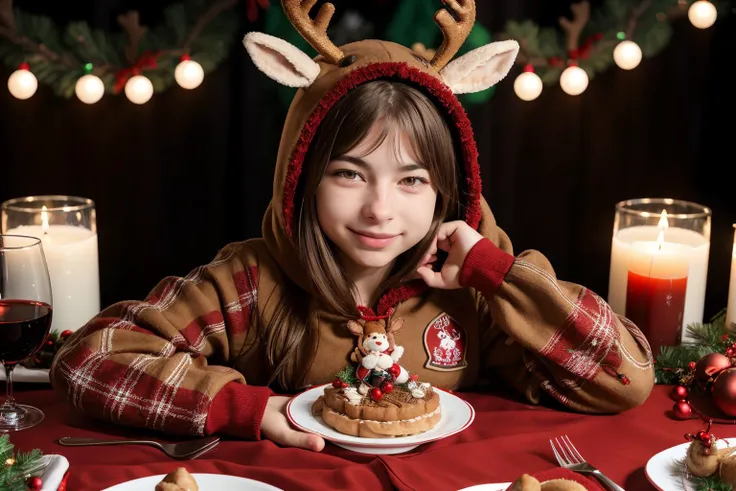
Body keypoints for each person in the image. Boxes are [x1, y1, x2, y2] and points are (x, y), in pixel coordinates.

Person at [51, 0, 654, 453]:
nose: (380, 210)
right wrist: (240, 407)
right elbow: (87, 361)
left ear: (449, 188)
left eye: (412, 180)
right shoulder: (248, 282)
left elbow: (624, 379)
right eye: (349, 174)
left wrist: (495, 275)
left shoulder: (483, 287)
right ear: (301, 177)